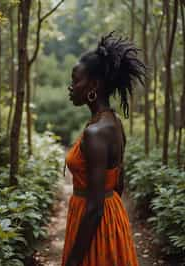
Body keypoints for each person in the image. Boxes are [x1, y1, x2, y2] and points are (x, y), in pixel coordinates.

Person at [61, 31, 146, 266]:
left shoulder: (95, 132)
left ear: (94, 85)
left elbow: (95, 207)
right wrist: (111, 219)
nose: (71, 87)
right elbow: (118, 184)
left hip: (94, 227)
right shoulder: (114, 122)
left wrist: (73, 261)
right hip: (111, 219)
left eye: (75, 80)